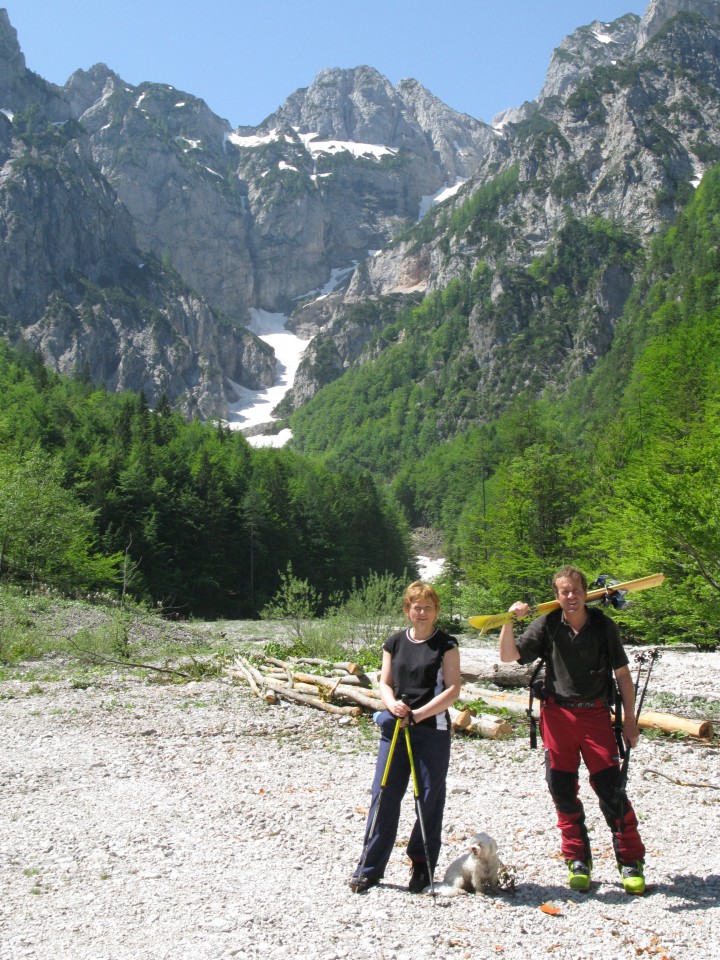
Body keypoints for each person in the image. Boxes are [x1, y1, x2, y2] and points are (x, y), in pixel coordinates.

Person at [498, 566, 647, 895]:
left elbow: (622, 675)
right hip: (556, 717)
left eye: (575, 590)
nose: (570, 596)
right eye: (564, 592)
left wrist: (630, 720)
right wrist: (509, 619)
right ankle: (577, 859)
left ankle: (630, 861)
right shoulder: (548, 624)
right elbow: (509, 656)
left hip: (595, 716)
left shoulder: (603, 626)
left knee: (611, 789)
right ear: (557, 595)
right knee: (562, 789)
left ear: (584, 591)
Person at [349, 581, 461, 894]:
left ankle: (422, 866)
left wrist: (421, 713)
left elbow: (453, 689)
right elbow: (385, 683)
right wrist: (391, 703)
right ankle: (369, 867)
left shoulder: (447, 644)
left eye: (428, 607)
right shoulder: (394, 642)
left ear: (436, 611)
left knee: (428, 797)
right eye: (416, 607)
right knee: (384, 794)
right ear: (407, 610)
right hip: (396, 727)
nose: (421, 612)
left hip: (431, 728)